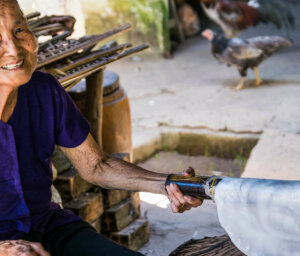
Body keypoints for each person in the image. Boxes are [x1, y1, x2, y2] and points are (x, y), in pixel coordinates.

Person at [0, 1, 203, 255]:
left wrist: (167, 184)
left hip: (48, 228)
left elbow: (97, 166)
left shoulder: (45, 90)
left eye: (19, 30)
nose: (13, 49)